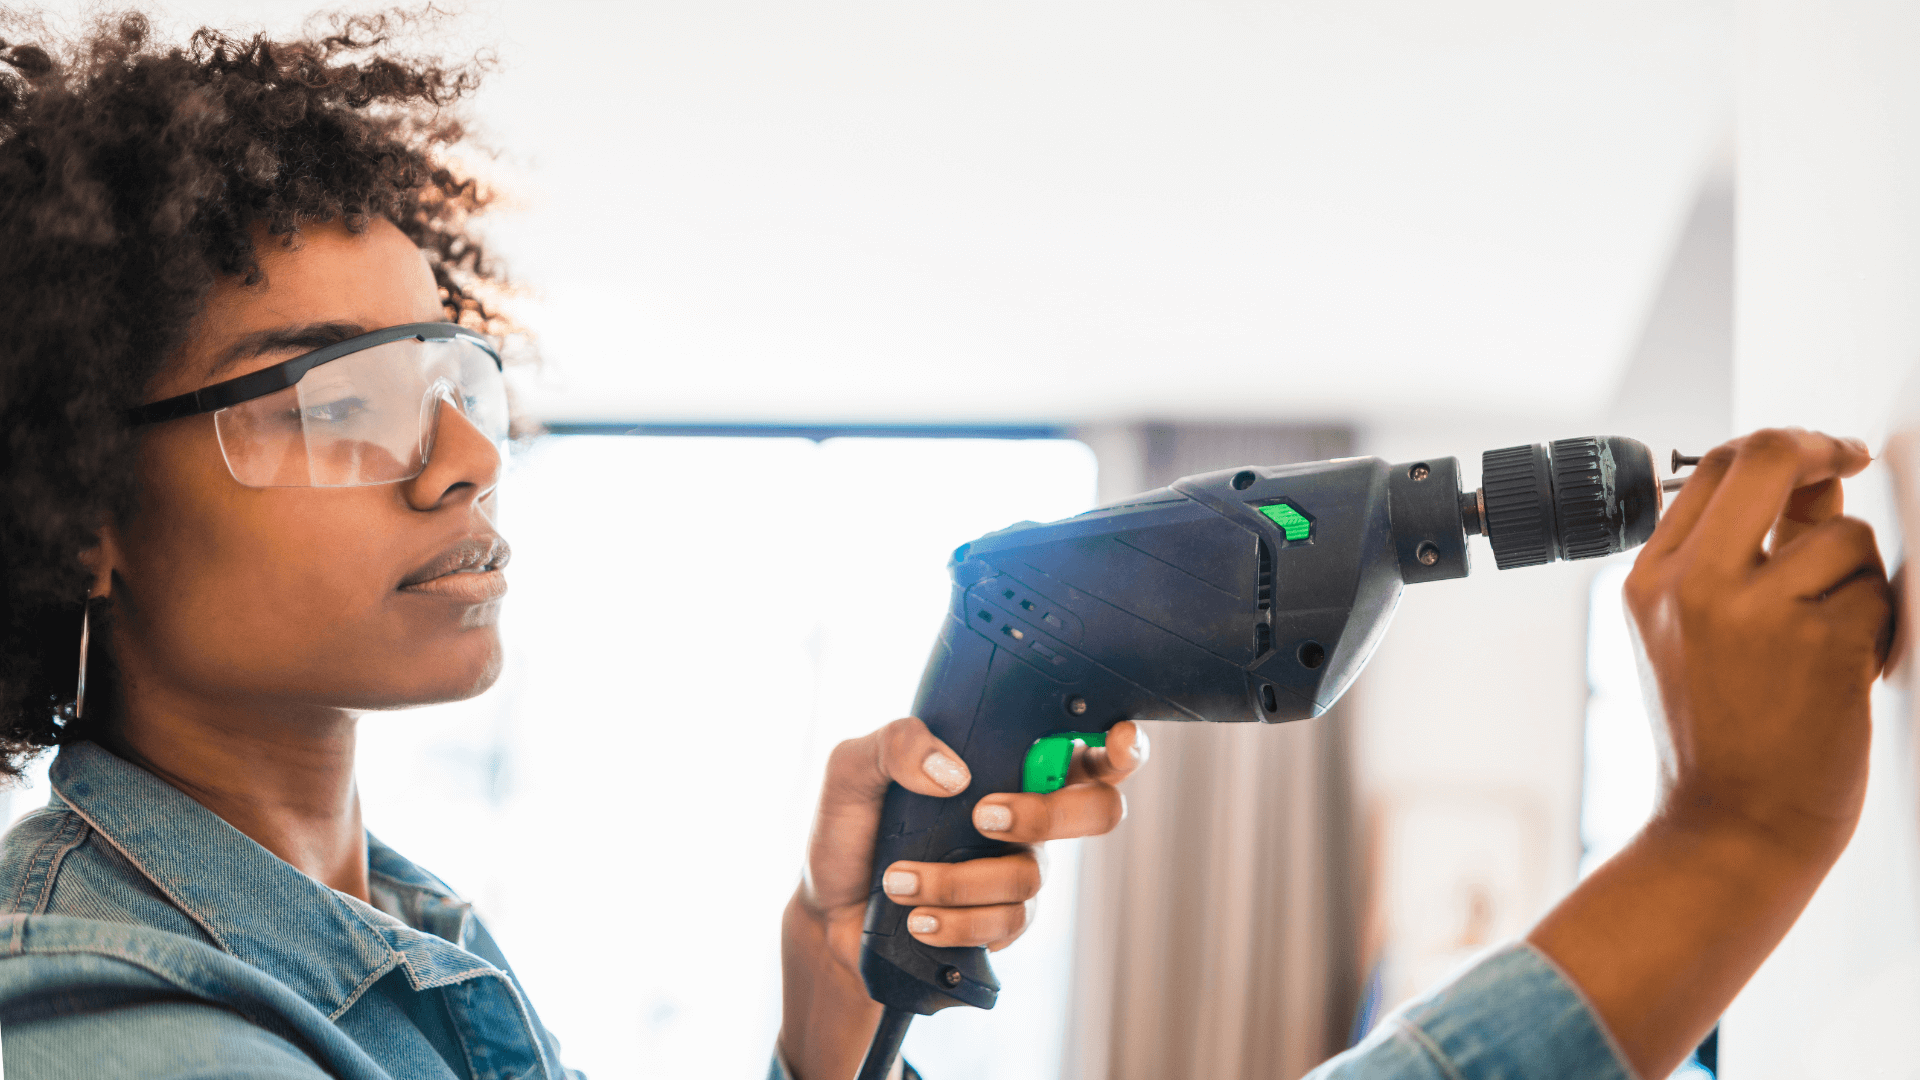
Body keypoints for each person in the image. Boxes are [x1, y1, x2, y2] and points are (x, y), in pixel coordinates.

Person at [0, 13, 1893, 1080]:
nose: (467, 456)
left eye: (455, 369)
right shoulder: (121, 1040)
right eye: (339, 401)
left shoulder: (387, 943)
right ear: (80, 507)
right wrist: (1729, 841)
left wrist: (825, 1039)